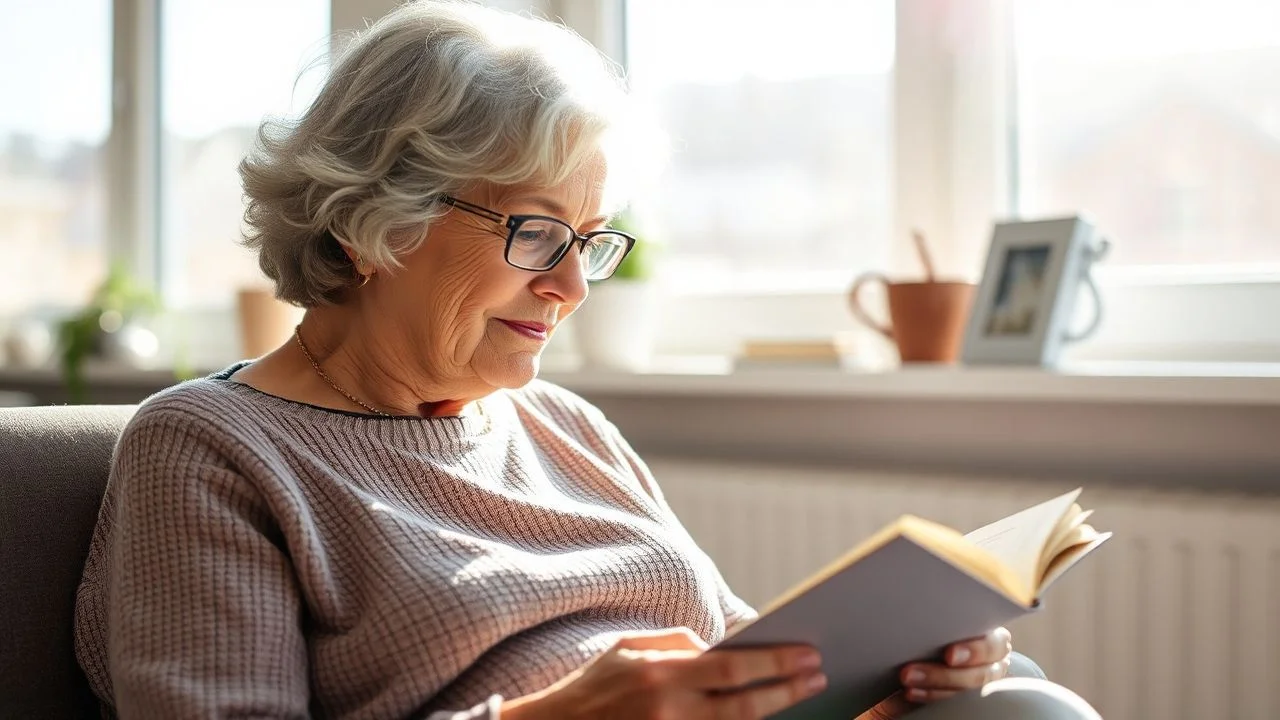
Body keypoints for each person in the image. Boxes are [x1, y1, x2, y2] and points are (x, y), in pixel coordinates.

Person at [73, 2, 1102, 719]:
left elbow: (744, 663)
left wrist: (897, 674)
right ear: (369, 222)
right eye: (533, 233)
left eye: (591, 240)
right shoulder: (212, 450)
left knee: (1021, 705)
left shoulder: (565, 427)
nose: (569, 288)